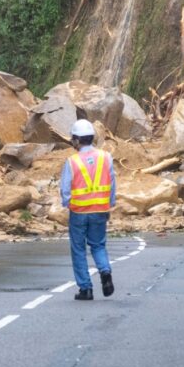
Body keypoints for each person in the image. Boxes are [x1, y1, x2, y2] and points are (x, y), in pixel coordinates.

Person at [60, 119, 116, 301]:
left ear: (76, 139)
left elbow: (65, 189)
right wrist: (110, 202)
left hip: (78, 213)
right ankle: (105, 272)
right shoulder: (106, 157)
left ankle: (86, 289)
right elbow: (112, 182)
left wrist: (67, 203)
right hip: (100, 210)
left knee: (78, 249)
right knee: (98, 245)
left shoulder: (72, 161)